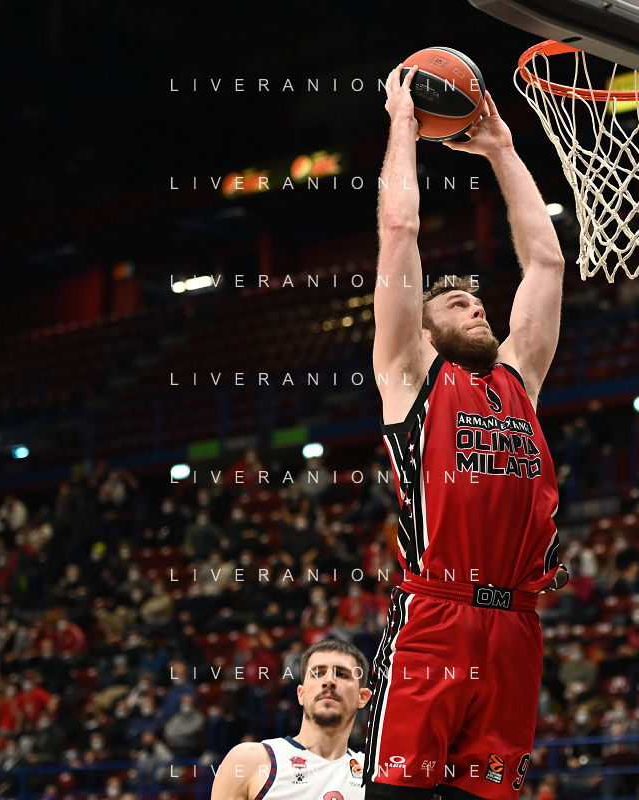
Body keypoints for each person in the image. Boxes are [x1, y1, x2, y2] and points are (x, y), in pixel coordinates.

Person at [364, 64, 568, 800]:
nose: (475, 307)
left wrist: (502, 150)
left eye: (477, 301)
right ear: (423, 330)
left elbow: (545, 260)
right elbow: (399, 230)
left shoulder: (520, 380)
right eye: (454, 303)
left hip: (517, 625)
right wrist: (402, 124)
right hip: (436, 614)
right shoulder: (409, 374)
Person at [210, 640, 372, 800]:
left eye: (342, 674)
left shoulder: (373, 775)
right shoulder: (249, 761)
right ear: (301, 694)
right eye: (318, 673)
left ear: (362, 697)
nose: (329, 681)